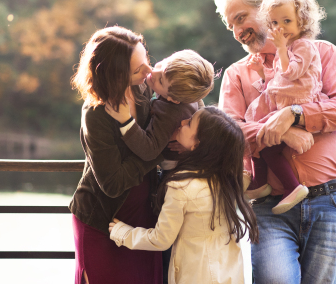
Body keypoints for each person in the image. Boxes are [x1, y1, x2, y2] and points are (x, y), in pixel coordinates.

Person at [214, 0, 336, 284]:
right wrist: (281, 132)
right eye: (231, 25)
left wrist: (295, 115)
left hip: (327, 200)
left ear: (266, 8)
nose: (237, 30)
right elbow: (229, 131)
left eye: (241, 18)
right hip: (270, 206)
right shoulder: (236, 74)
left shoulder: (321, 52)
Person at [109, 106, 259, 284]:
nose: (182, 122)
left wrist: (123, 233)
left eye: (189, 123)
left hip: (195, 276)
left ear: (197, 145)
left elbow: (161, 239)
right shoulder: (231, 179)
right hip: (229, 273)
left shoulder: (181, 187)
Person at [69, 26, 165, 284]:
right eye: (138, 70)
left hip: (145, 218)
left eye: (147, 62)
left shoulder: (143, 91)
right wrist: (154, 152)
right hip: (102, 220)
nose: (149, 72)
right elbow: (112, 184)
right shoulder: (96, 113)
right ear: (113, 74)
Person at [243, 0, 327, 215]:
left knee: (265, 142)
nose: (280, 28)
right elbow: (280, 78)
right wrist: (262, 73)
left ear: (303, 21)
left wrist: (280, 48)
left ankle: (291, 187)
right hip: (285, 102)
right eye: (275, 23)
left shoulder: (305, 46)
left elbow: (292, 73)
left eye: (287, 21)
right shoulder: (291, 48)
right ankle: (258, 183)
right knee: (260, 139)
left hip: (296, 104)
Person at [105, 49, 215, 169]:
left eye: (161, 80)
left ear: (173, 99)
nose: (154, 72)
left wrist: (126, 120)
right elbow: (199, 103)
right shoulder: (183, 92)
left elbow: (149, 151)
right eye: (163, 64)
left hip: (175, 168)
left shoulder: (170, 114)